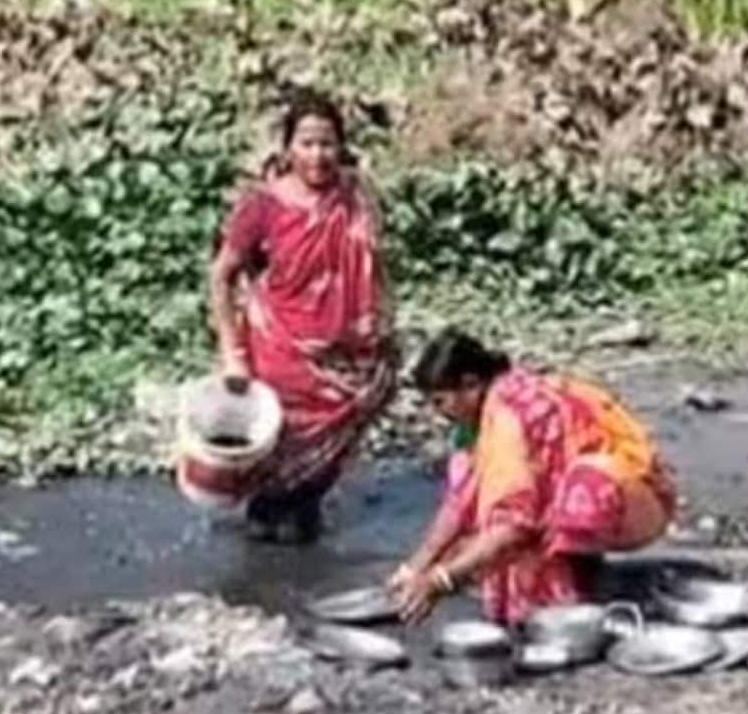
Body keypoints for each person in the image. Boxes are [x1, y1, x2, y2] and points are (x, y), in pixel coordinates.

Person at [388, 329, 677, 626]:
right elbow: (459, 501)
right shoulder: (484, 415)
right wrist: (416, 566)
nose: (438, 413)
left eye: (440, 402)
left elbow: (513, 525)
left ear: (470, 384)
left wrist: (441, 580)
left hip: (636, 496)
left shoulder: (508, 418)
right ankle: (565, 562)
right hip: (579, 491)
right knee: (465, 504)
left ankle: (580, 571)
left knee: (575, 498)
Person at [207, 89, 396, 543]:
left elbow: (376, 268)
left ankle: (298, 545)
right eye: (307, 143)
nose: (317, 155)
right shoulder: (264, 206)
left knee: (313, 489)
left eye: (327, 143)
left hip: (349, 359)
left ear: (342, 147)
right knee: (276, 467)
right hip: (283, 353)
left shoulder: (356, 196)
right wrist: (231, 353)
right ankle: (265, 542)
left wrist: (382, 330)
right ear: (288, 148)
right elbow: (222, 276)